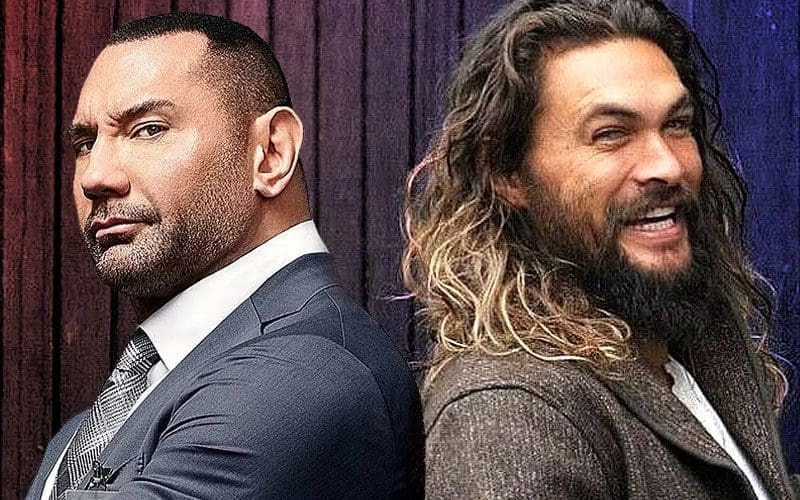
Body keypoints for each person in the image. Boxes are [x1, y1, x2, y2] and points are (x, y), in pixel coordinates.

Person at [403, 0, 799, 498]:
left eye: (677, 124)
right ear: (507, 173)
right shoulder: (510, 413)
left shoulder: (685, 344)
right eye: (611, 135)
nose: (667, 166)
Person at [27, 12, 422, 500]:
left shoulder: (302, 371)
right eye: (86, 143)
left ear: (271, 153)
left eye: (148, 129)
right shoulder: (123, 402)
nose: (95, 177)